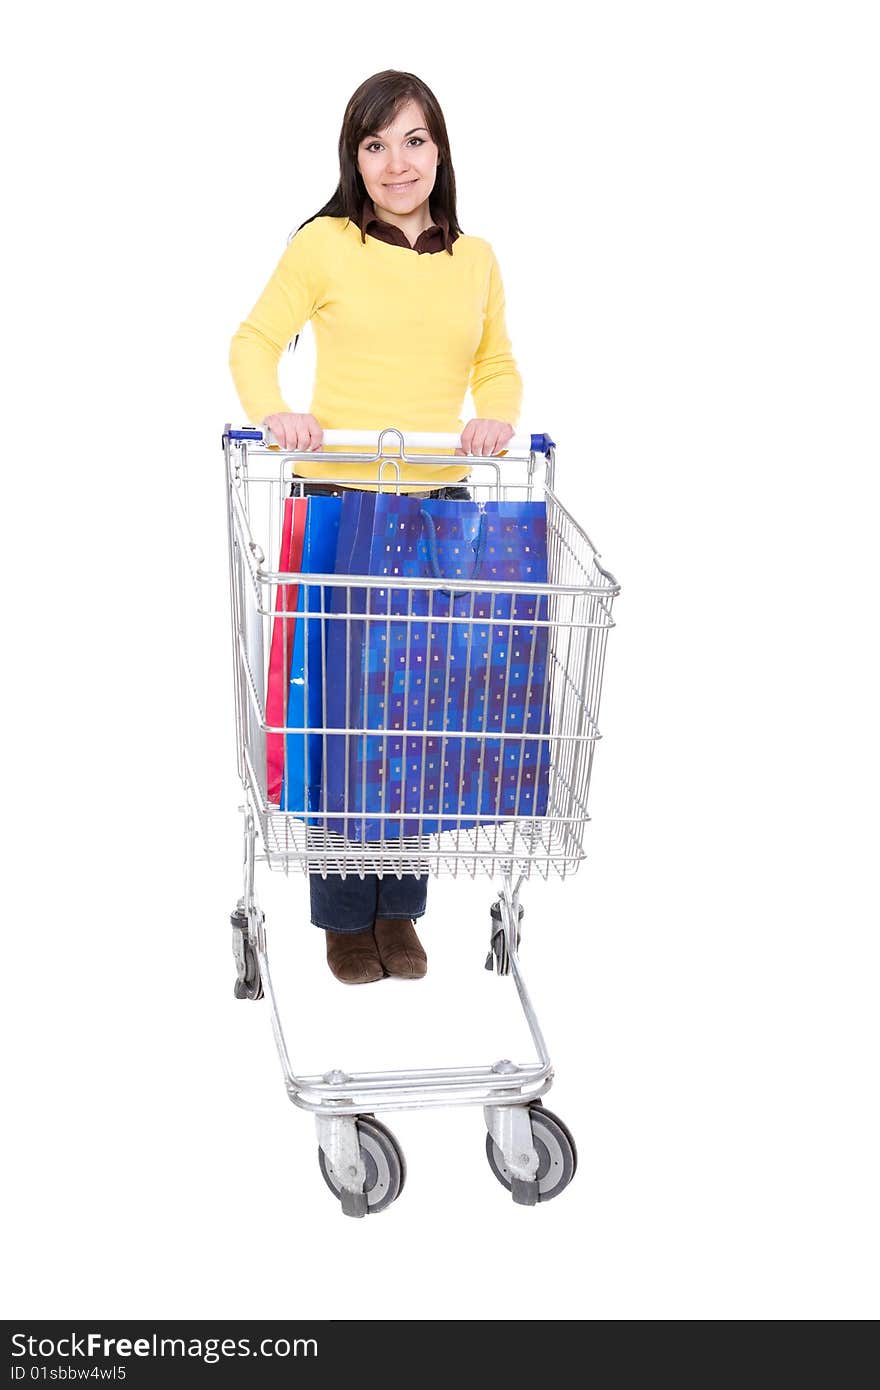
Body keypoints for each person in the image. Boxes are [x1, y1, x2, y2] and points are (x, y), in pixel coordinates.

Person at [229, 69, 522, 986]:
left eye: (415, 140)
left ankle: (402, 909)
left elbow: (498, 363)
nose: (397, 163)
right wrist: (277, 412)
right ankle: (342, 917)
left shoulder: (473, 259)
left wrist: (494, 419)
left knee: (418, 718)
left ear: (440, 150)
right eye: (375, 143)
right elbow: (252, 341)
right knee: (342, 721)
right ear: (353, 157)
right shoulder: (325, 245)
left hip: (437, 512)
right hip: (342, 508)